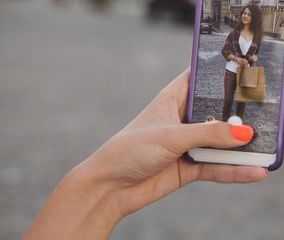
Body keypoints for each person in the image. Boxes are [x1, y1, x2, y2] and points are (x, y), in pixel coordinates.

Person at [23, 69, 268, 239]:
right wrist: (107, 188)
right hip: (230, 70)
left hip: (246, 74)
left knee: (247, 99)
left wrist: (106, 189)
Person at [221, 4, 264, 121]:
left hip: (247, 73)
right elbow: (224, 51)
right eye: (244, 13)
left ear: (254, 18)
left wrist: (254, 58)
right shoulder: (234, 33)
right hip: (231, 71)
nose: (245, 16)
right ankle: (223, 125)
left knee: (242, 103)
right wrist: (237, 59)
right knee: (228, 102)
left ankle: (238, 127)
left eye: (249, 15)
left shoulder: (257, 36)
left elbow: (256, 54)